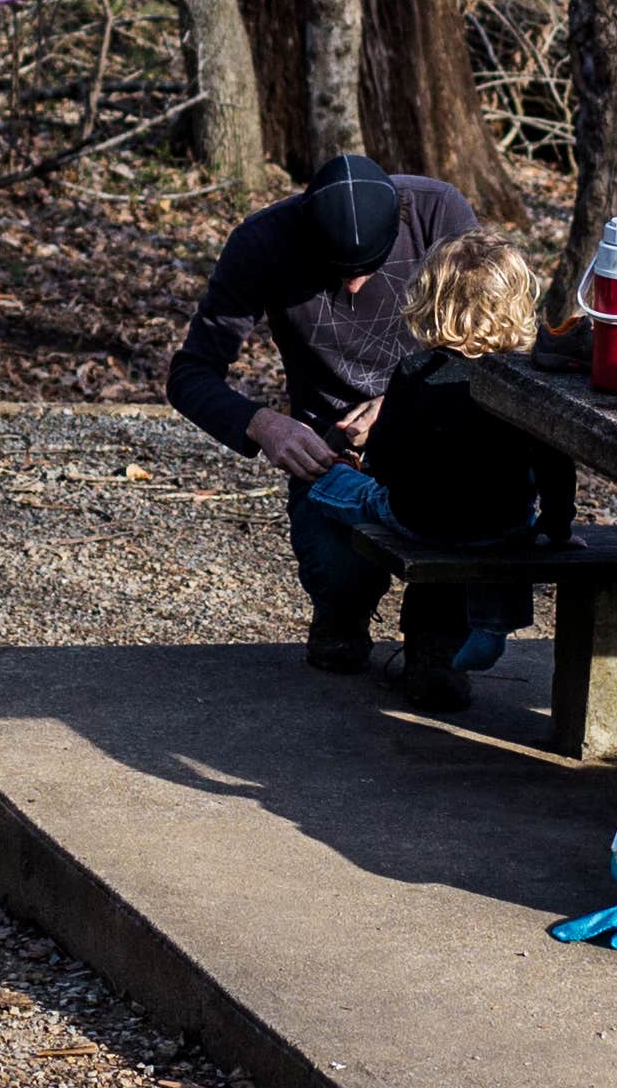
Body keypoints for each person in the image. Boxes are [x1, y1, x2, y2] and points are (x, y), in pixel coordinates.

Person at [164, 149, 483, 668]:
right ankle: (341, 614)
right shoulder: (262, 242)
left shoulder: (436, 213)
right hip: (329, 453)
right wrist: (263, 425)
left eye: (368, 269)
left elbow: (498, 348)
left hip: (439, 436)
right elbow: (190, 375)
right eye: (336, 271)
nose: (353, 286)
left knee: (464, 551)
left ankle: (436, 637)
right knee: (340, 581)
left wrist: (410, 399)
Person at [341, 229, 575, 702]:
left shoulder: (414, 371)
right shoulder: (529, 382)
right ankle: (481, 634)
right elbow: (556, 463)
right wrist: (558, 525)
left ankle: (427, 655)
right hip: (503, 523)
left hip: (420, 519)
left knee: (332, 487)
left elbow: (384, 460)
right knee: (496, 528)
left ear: (431, 302)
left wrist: (371, 466)